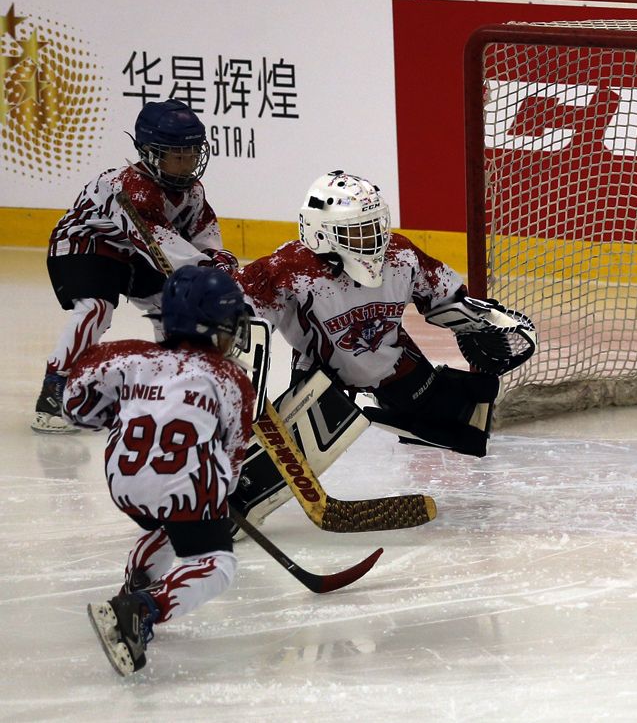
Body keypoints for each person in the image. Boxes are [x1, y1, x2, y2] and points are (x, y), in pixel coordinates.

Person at [229, 170, 534, 526]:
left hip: (389, 358)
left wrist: (478, 319)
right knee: (295, 452)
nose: (372, 240)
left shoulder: (400, 256)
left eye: (375, 226)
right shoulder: (289, 270)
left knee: (461, 420)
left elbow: (442, 294)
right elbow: (237, 316)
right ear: (320, 232)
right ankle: (235, 501)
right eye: (358, 231)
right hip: (323, 373)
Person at [66, 266, 255, 676]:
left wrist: (128, 413)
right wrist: (219, 494)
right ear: (212, 327)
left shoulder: (125, 356)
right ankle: (143, 608)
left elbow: (75, 406)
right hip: (181, 483)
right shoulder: (228, 377)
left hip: (124, 481)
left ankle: (135, 586)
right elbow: (234, 454)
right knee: (216, 563)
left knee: (167, 524)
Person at [33, 99, 238, 434]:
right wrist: (211, 275)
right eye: (177, 154)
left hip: (132, 253)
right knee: (96, 308)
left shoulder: (192, 191)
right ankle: (55, 389)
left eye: (192, 153)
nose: (187, 163)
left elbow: (203, 235)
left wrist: (218, 258)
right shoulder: (131, 189)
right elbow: (168, 251)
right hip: (85, 245)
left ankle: (174, 387)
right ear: (150, 153)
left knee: (169, 305)